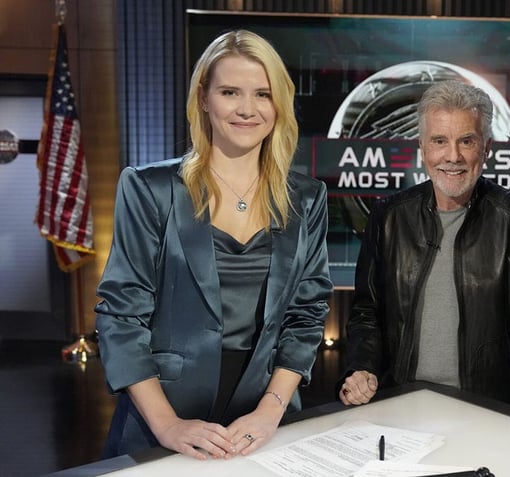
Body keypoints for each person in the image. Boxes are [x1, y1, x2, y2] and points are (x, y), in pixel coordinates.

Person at [94, 30, 332, 460]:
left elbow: (307, 313)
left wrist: (270, 410)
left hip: (264, 420)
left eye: (263, 94)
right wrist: (167, 425)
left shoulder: (307, 198)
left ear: (279, 104)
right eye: (229, 92)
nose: (247, 109)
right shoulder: (151, 189)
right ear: (203, 98)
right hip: (163, 421)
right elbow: (121, 317)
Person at [339, 80, 510, 438]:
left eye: (466, 141)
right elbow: (366, 313)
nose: (452, 156)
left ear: (487, 149)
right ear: (422, 148)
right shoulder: (389, 217)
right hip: (400, 405)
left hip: (487, 410)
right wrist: (360, 368)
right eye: (439, 141)